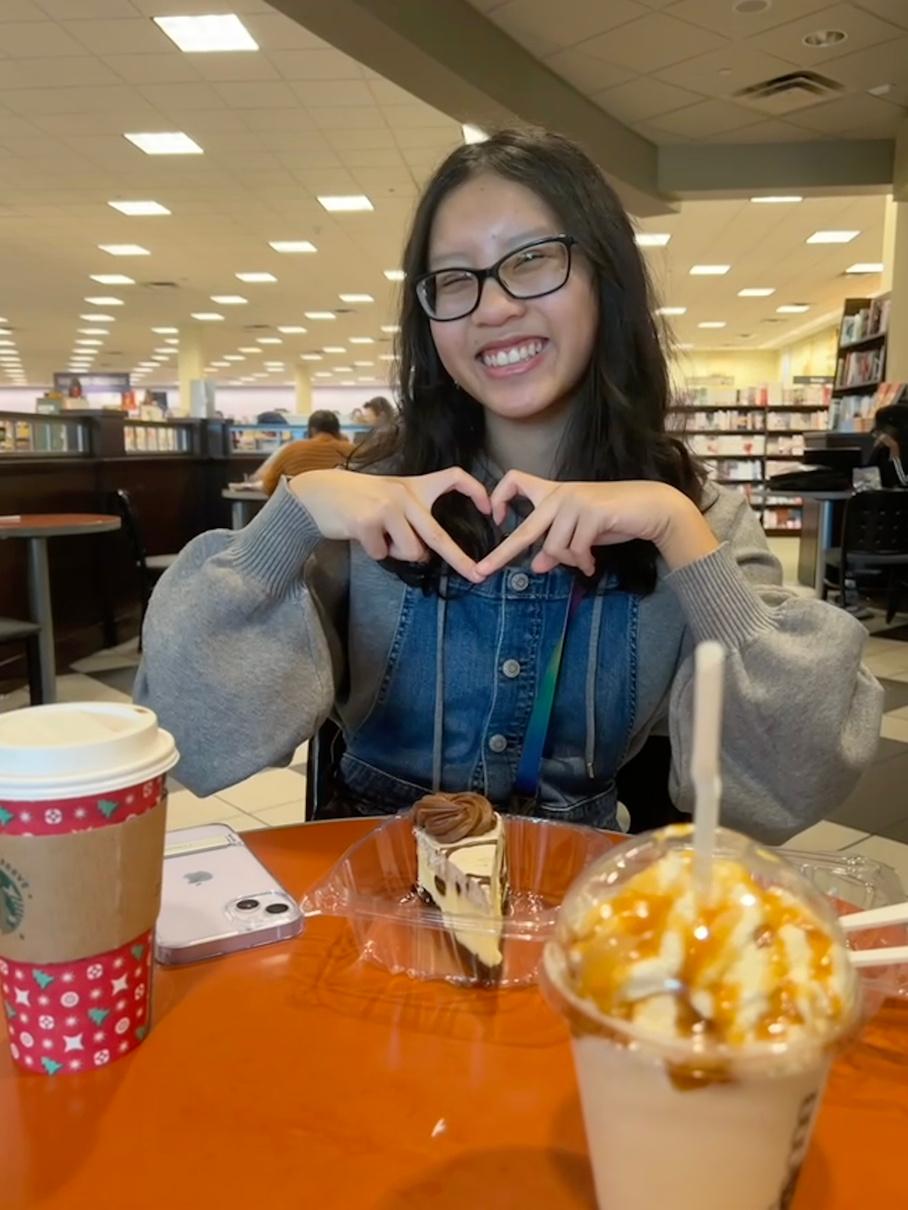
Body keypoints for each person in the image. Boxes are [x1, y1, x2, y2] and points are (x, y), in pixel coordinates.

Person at [136, 128, 882, 843]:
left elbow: (790, 782)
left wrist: (678, 530)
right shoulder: (368, 503)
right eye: (454, 279)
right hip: (368, 879)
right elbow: (186, 736)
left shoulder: (697, 515)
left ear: (606, 277)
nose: (493, 307)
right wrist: (290, 519)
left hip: (576, 892)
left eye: (532, 259)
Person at [254, 411, 354, 496]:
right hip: (340, 509)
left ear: (312, 430)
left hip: (299, 509)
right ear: (338, 431)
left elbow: (268, 486)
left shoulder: (292, 449)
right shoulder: (352, 451)